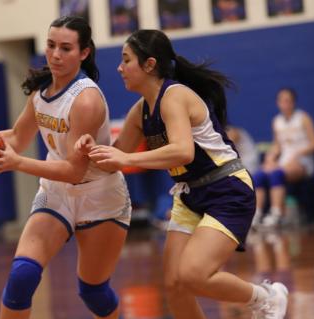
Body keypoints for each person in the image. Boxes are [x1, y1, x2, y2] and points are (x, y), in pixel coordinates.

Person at [76, 29, 288, 318]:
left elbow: (183, 151)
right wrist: (89, 148)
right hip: (190, 194)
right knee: (175, 285)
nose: (119, 68)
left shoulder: (175, 96)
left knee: (193, 274)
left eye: (126, 60)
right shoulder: (140, 112)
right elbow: (113, 157)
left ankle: (266, 297)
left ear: (149, 64)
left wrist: (126, 157)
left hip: (226, 189)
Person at [0, 16, 131, 319]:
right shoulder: (40, 93)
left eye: (66, 48)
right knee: (21, 277)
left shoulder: (86, 100)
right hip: (57, 192)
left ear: (84, 53)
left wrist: (17, 163)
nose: (55, 55)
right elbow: (17, 137)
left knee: (94, 292)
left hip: (99, 196)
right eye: (51, 46)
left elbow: (74, 171)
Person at [252, 88, 314, 228]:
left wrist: (298, 154)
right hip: (284, 162)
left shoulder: (303, 118)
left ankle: (277, 214)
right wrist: (270, 158)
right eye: (282, 101)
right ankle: (257, 214)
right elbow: (277, 145)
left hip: (303, 162)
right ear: (278, 103)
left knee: (277, 174)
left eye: (288, 101)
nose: (285, 104)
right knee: (259, 175)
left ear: (293, 102)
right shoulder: (277, 121)